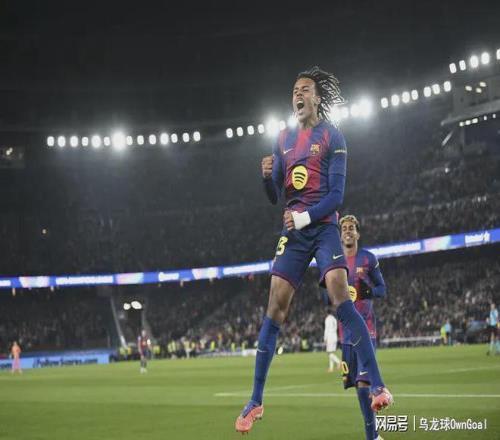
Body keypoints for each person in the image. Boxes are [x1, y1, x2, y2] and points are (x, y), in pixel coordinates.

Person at [234, 66, 392, 434]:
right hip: (294, 232)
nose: (298, 95)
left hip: (322, 227)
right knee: (275, 305)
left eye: (305, 89)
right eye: (294, 91)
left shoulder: (333, 136)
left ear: (317, 98)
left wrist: (304, 218)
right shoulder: (283, 139)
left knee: (340, 295)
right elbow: (275, 196)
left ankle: (378, 386)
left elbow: (337, 196)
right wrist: (265, 177)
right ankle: (255, 400)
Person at [337, 215, 387, 440]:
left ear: (357, 233)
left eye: (351, 228)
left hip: (366, 330)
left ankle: (372, 437)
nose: (348, 231)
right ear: (341, 235)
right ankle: (373, 435)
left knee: (364, 382)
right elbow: (326, 296)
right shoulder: (335, 262)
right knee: (359, 388)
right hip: (345, 335)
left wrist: (368, 291)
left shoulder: (368, 258)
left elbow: (382, 289)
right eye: (344, 228)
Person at [324, 308, 341, 372]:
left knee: (329, 352)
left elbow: (326, 329)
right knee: (331, 352)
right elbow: (336, 328)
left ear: (327, 313)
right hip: (334, 336)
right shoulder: (334, 319)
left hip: (330, 337)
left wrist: (325, 338)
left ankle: (339, 362)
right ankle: (331, 368)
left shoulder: (327, 319)